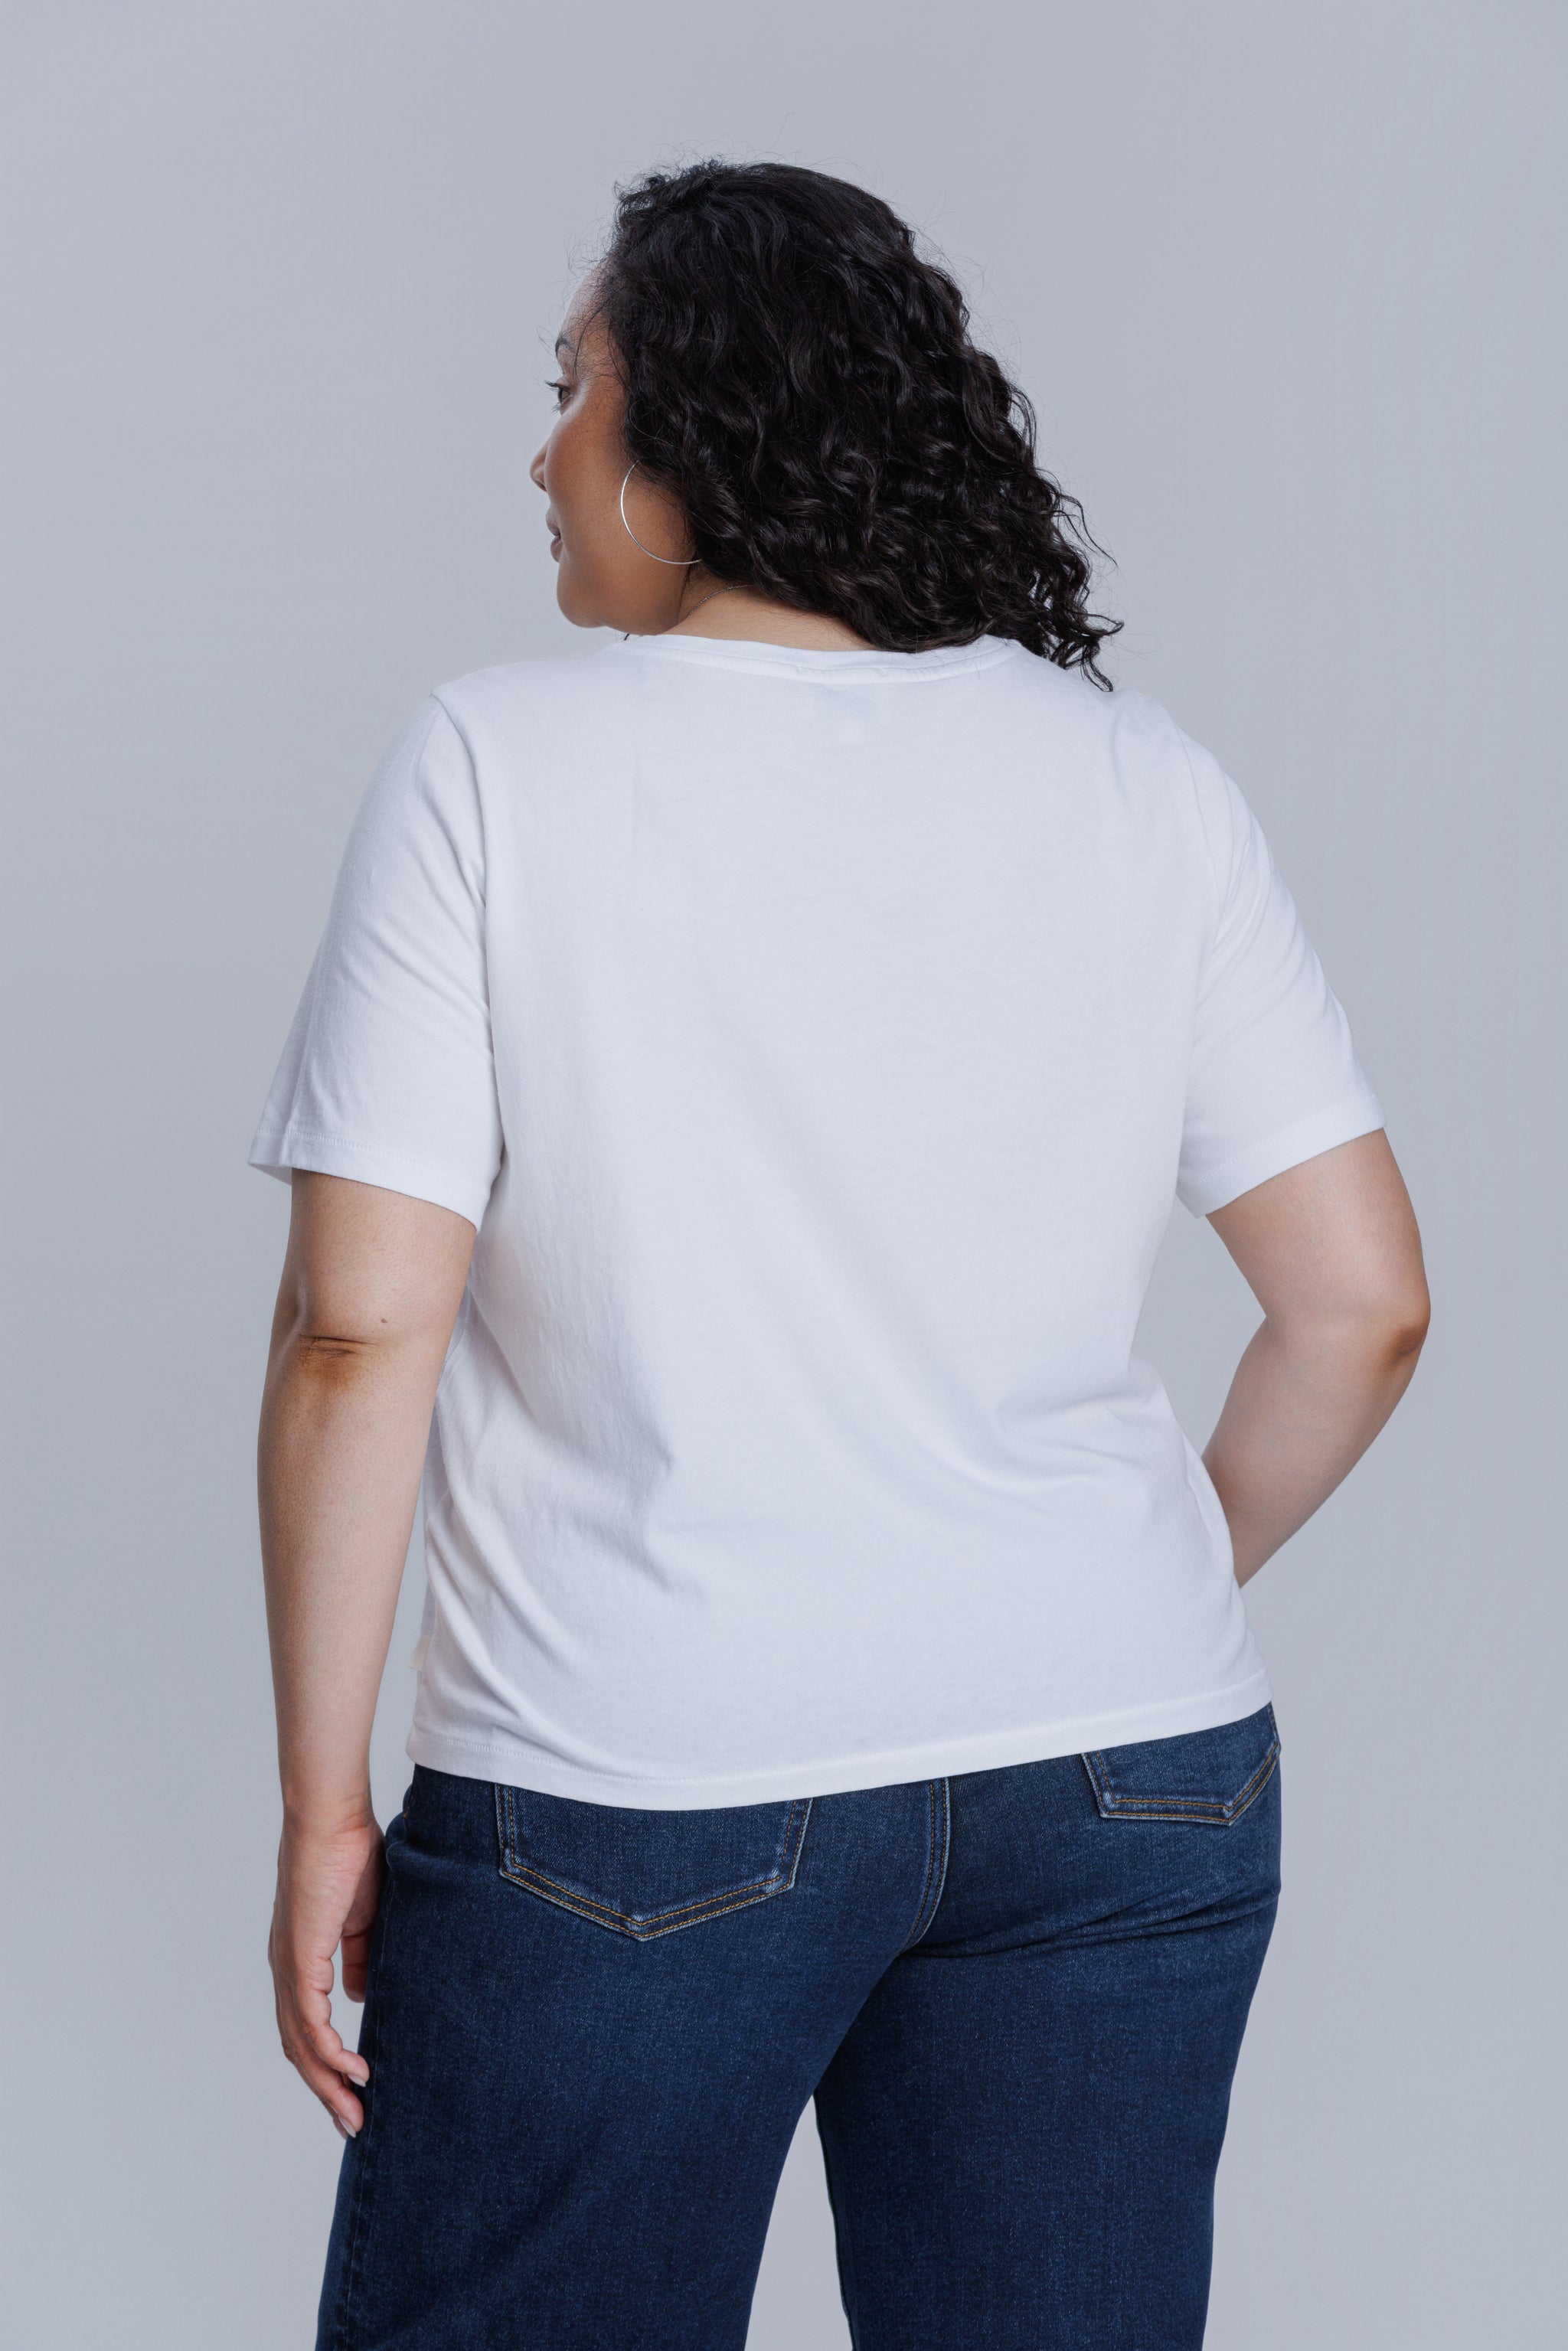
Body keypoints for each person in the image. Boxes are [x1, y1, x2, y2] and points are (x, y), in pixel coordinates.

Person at [253, 160, 1429, 2351]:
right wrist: (1112, 1576)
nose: (543, 450)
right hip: (1136, 1776)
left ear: (694, 433)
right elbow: (1362, 1306)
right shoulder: (1136, 778)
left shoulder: (500, 764)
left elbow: (357, 1330)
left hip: (635, 1777)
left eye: (573, 390)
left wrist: (327, 1809)